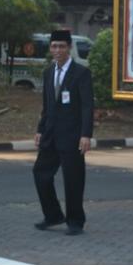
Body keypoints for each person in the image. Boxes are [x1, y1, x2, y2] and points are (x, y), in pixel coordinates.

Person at [33, 29, 94, 236]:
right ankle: (53, 215)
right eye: (54, 46)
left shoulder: (81, 73)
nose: (57, 50)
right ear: (50, 48)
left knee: (73, 179)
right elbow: (47, 105)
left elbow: (87, 106)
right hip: (50, 134)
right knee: (40, 173)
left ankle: (75, 221)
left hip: (72, 136)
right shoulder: (49, 72)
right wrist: (40, 129)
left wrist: (86, 134)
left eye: (61, 46)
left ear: (69, 48)